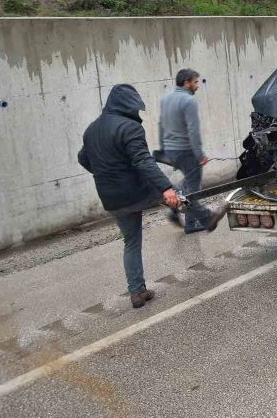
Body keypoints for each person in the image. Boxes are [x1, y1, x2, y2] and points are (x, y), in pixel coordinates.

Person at [78, 84, 181, 309]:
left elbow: (83, 158)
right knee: (173, 193)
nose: (137, 113)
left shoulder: (91, 129)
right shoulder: (130, 127)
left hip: (111, 197)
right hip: (135, 192)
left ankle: (137, 292)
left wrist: (105, 173)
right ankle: (183, 205)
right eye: (135, 108)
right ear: (126, 105)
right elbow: (143, 161)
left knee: (131, 242)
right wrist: (166, 188)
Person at [159, 68, 222, 233]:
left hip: (171, 150)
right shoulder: (189, 101)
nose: (197, 86)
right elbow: (193, 130)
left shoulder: (166, 99)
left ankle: (174, 207)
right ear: (186, 82)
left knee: (187, 182)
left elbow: (161, 125)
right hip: (186, 151)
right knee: (193, 189)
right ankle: (192, 223)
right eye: (195, 82)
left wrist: (164, 148)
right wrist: (200, 155)